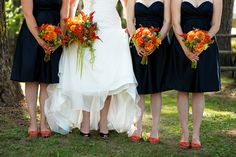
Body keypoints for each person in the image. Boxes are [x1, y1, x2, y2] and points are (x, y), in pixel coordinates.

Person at [44, 0, 140, 138]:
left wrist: (129, 24)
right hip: (86, 28)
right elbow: (72, 4)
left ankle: (103, 122)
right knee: (86, 77)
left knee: (109, 77)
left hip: (111, 29)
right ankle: (86, 122)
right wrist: (71, 26)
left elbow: (126, 5)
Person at [11, 0, 70, 137]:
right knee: (31, 79)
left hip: (54, 35)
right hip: (32, 34)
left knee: (46, 80)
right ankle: (32, 122)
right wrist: (40, 40)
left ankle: (43, 122)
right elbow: (28, 13)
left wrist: (59, 38)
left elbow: (64, 15)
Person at [169, 0, 222, 148]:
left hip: (206, 46)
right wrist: (186, 49)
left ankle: (196, 134)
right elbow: (176, 23)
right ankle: (185, 133)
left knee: (199, 90)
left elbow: (216, 25)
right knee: (183, 89)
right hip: (182, 45)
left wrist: (202, 44)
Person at [126, 0, 171, 143]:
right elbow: (130, 21)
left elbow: (167, 21)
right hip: (137, 46)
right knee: (139, 88)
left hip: (159, 46)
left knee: (156, 88)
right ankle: (138, 128)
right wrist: (137, 42)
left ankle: (155, 130)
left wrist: (156, 41)